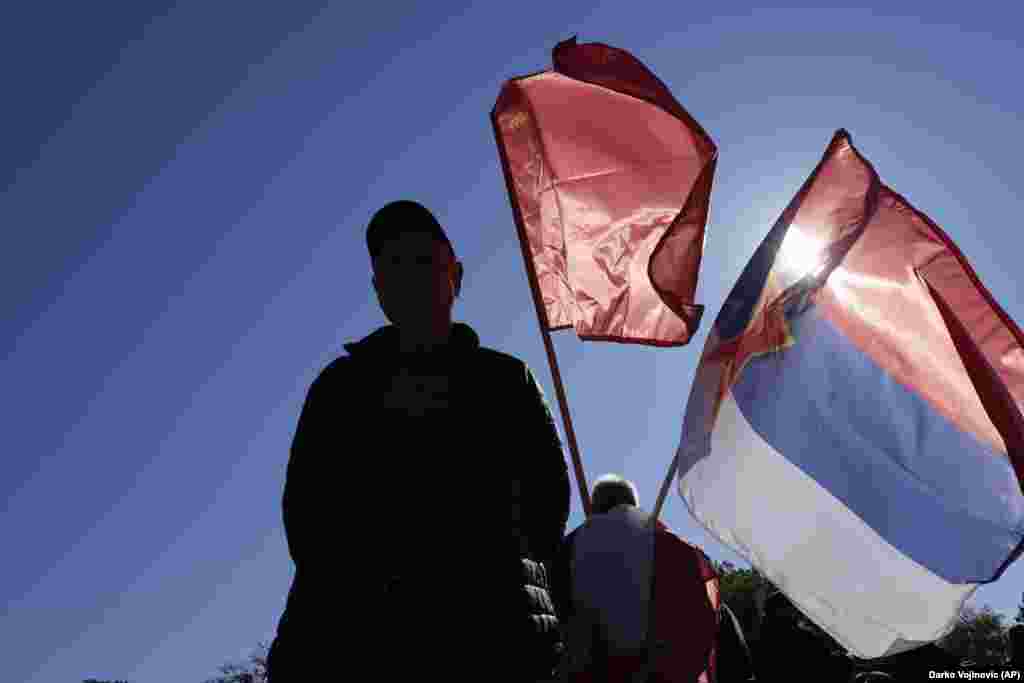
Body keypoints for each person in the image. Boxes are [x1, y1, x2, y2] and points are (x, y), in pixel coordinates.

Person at [266, 200, 571, 681]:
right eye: (393, 265)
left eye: (425, 261)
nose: (410, 276)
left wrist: (476, 565)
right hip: (355, 644)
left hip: (492, 639)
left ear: (457, 274)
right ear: (378, 290)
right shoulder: (340, 388)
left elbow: (548, 506)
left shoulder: (507, 381)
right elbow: (306, 518)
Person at [551, 475, 718, 683]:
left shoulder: (565, 551)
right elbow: (698, 630)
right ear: (634, 506)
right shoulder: (675, 550)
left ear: (593, 507)